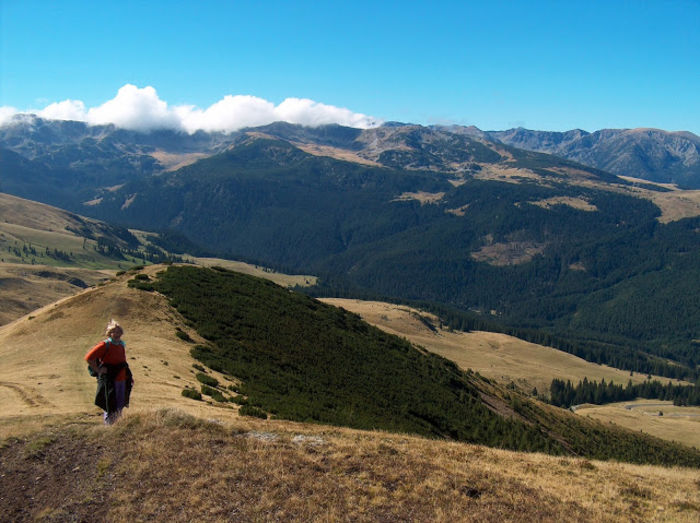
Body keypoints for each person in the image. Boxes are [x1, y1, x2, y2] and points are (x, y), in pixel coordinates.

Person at [85, 320, 133, 424]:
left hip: (121, 378)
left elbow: (123, 361)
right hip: (109, 379)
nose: (117, 334)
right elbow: (89, 358)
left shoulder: (121, 344)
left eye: (119, 332)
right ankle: (109, 427)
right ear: (109, 333)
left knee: (120, 403)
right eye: (114, 332)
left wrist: (129, 377)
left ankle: (117, 424)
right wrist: (98, 370)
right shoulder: (104, 345)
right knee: (109, 402)